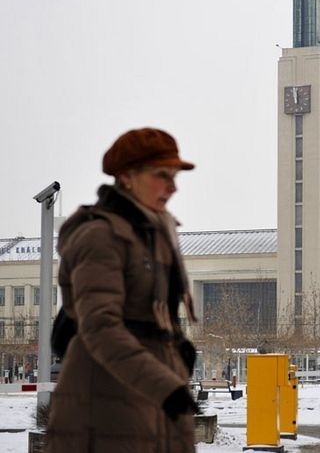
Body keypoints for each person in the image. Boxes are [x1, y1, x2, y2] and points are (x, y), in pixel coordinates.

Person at [47, 128, 200, 453]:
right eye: (161, 175)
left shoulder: (154, 235)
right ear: (127, 176)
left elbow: (152, 314)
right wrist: (165, 386)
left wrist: (177, 349)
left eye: (174, 177)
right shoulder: (100, 237)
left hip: (150, 400)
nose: (172, 187)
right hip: (105, 404)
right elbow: (100, 327)